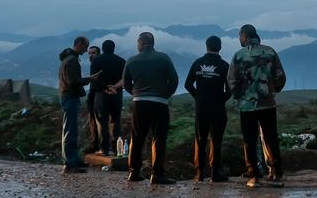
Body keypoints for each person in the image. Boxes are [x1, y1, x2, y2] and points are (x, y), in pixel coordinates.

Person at [227, 24, 286, 189]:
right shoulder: (270, 52)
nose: (239, 39)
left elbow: (232, 81)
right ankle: (275, 174)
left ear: (244, 36)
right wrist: (271, 90)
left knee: (249, 140)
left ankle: (253, 176)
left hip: (247, 106)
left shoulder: (238, 55)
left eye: (240, 36)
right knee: (271, 139)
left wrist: (240, 95)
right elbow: (280, 76)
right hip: (268, 103)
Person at [121, 32, 179, 184]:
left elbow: (126, 83)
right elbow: (174, 80)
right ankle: (157, 175)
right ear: (152, 43)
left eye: (137, 43)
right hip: (160, 103)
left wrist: (136, 93)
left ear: (141, 43)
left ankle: (133, 173)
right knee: (158, 138)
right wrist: (165, 94)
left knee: (137, 137)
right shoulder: (164, 58)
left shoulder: (132, 60)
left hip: (139, 103)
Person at [184, 35, 231, 182]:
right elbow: (230, 90)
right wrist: (220, 100)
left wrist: (198, 97)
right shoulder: (224, 66)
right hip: (217, 108)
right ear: (220, 47)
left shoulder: (198, 63)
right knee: (216, 139)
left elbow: (187, 84)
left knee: (200, 139)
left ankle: (199, 173)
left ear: (206, 46)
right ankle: (215, 173)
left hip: (201, 107)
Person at [58, 36, 100, 173]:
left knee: (72, 129)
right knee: (70, 130)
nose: (86, 50)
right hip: (70, 97)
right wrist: (90, 79)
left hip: (68, 96)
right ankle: (70, 163)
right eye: (85, 47)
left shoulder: (68, 58)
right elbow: (73, 81)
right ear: (79, 44)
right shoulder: (72, 61)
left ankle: (74, 160)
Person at [90, 39, 126, 156]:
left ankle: (104, 149)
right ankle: (117, 149)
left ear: (103, 48)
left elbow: (94, 78)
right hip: (117, 94)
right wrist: (114, 88)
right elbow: (125, 78)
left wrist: (105, 88)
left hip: (101, 95)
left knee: (102, 122)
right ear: (113, 48)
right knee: (116, 121)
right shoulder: (121, 61)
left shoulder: (96, 61)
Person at [84, 46, 101, 154]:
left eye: (93, 53)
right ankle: (94, 143)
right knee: (92, 121)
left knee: (98, 120)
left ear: (98, 54)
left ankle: (97, 144)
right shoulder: (93, 64)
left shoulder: (99, 64)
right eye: (89, 53)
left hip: (97, 94)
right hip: (92, 93)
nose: (91, 55)